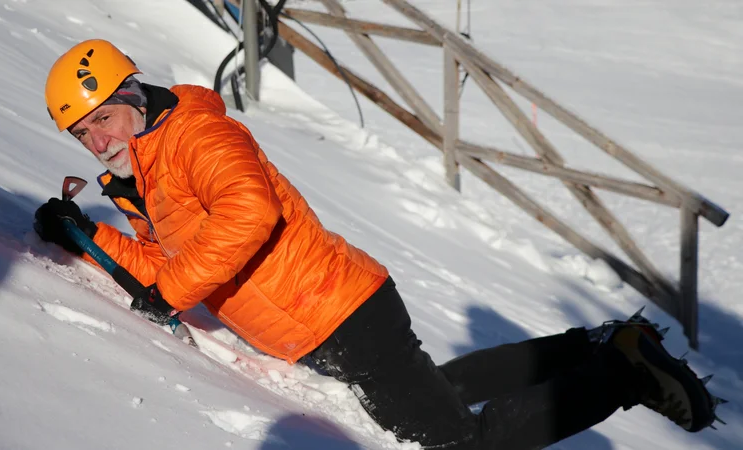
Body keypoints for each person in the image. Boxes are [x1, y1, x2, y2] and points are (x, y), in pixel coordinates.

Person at [35, 39, 721, 449]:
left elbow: (249, 216)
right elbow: (168, 269)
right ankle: (593, 349)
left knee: (459, 444)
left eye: (103, 119)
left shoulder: (197, 138)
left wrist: (170, 297)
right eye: (83, 135)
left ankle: (623, 373)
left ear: (133, 93)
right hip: (329, 318)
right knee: (440, 389)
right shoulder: (145, 174)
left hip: (338, 314)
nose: (99, 140)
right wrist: (89, 235)